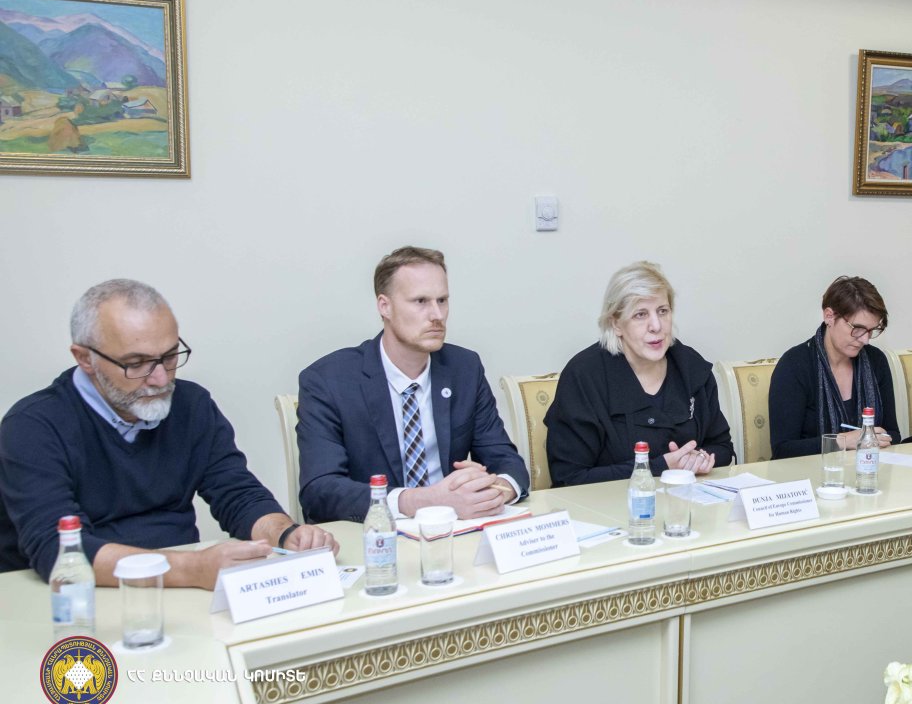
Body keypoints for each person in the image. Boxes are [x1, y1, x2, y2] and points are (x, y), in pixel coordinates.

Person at [0, 280, 337, 589]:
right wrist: (191, 569)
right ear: (85, 358)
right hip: (73, 599)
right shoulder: (33, 426)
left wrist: (285, 533)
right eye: (136, 363)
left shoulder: (191, 405)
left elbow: (237, 494)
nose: (160, 379)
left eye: (170, 356)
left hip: (175, 590)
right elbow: (61, 552)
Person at [297, 247, 529, 523]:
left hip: (454, 531)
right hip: (373, 535)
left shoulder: (464, 368)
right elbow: (320, 491)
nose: (437, 315)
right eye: (420, 301)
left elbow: (507, 461)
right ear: (385, 306)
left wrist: (495, 490)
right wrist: (423, 501)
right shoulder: (328, 380)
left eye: (442, 300)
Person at [545, 261, 734, 486]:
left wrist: (699, 459)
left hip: (687, 502)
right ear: (616, 324)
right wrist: (660, 467)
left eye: (662, 311)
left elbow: (723, 447)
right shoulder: (584, 375)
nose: (656, 326)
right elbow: (569, 478)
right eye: (640, 315)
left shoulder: (690, 366)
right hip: (608, 505)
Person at [769, 276, 899, 460]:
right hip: (810, 473)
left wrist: (878, 438)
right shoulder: (795, 365)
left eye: (871, 330)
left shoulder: (876, 361)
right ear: (829, 316)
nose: (865, 340)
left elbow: (893, 433)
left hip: (869, 469)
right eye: (858, 328)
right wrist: (842, 441)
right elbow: (783, 449)